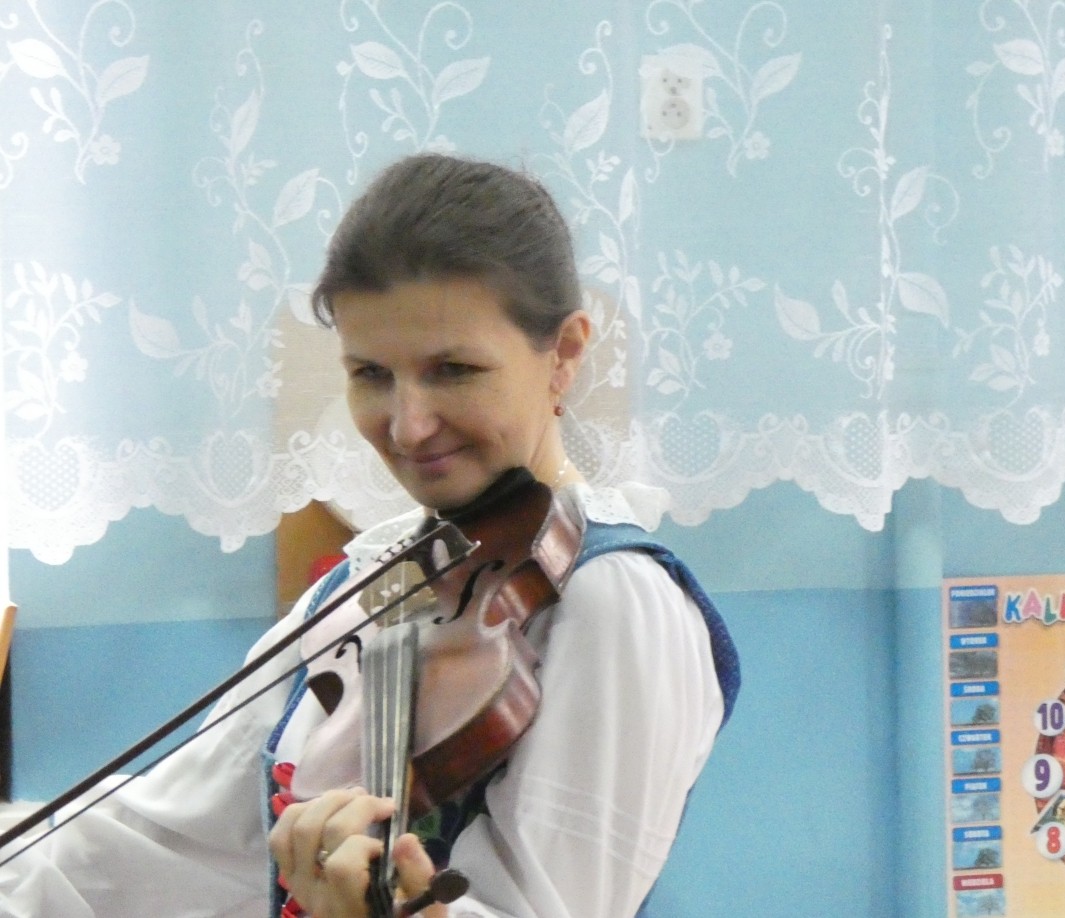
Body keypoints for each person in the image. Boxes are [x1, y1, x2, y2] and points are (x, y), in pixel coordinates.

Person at [0, 153, 739, 917]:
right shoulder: (368, 582)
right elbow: (154, 842)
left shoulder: (615, 600)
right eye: (371, 375)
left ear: (567, 354)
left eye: (454, 369)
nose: (408, 426)